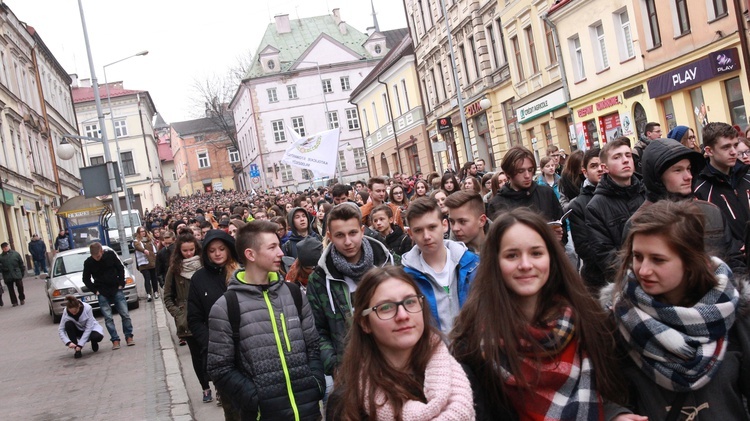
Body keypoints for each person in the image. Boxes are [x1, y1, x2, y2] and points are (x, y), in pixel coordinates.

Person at [450, 209, 640, 420]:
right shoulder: (473, 344)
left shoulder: (590, 321)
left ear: (551, 258)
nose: (525, 265)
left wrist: (615, 414)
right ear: (495, 263)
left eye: (536, 253)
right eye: (512, 255)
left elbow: (614, 388)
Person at [604, 200, 750, 419]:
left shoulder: (734, 314)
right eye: (637, 257)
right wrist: (616, 414)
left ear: (690, 260)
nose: (643, 270)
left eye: (658, 260)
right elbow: (602, 391)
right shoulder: (619, 319)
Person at [207, 221, 324, 420]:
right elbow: (220, 368)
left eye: (279, 245)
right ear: (250, 254)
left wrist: (316, 384)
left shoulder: (293, 293)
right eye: (272, 247)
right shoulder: (227, 306)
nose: (281, 252)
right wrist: (255, 399)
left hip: (307, 410)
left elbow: (312, 345)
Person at [326, 266, 476, 420]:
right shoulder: (346, 402)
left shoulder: (461, 379)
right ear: (365, 323)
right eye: (386, 307)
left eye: (410, 302)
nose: (403, 315)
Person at [306, 203, 394, 376]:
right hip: (350, 371)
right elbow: (317, 330)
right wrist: (335, 366)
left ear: (362, 230)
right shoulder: (319, 279)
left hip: (393, 362)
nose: (348, 242)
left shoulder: (388, 264)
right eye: (340, 235)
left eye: (353, 233)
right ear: (330, 236)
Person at [636, 138, 746, 273]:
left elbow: (734, 259)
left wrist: (733, 290)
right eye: (678, 170)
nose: (688, 176)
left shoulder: (711, 212)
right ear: (658, 177)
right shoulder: (640, 222)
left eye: (689, 169)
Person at [402, 198, 479, 334]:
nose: (426, 236)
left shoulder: (473, 264)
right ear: (410, 234)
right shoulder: (406, 278)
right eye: (418, 230)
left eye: (432, 227)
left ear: (444, 225)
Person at [187, 229, 240, 412]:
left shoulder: (242, 272)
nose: (217, 254)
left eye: (221, 249)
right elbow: (194, 318)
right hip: (219, 352)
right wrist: (211, 343)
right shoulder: (199, 279)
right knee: (231, 406)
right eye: (212, 250)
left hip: (248, 345)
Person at [585, 137, 645, 281]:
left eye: (628, 155)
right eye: (617, 157)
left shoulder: (647, 192)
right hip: (628, 281)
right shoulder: (596, 207)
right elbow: (605, 255)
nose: (625, 160)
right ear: (605, 168)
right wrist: (636, 273)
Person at [164, 233, 213, 402]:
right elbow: (167, 296)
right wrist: (178, 314)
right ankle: (205, 387)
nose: (189, 253)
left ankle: (220, 388)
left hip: (209, 314)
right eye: (185, 250)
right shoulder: (175, 269)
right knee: (197, 355)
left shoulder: (206, 264)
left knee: (214, 352)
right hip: (188, 318)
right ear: (179, 251)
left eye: (192, 249)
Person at [487, 146, 565, 242]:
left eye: (530, 170)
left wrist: (558, 237)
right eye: (521, 171)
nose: (527, 175)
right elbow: (495, 243)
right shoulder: (497, 204)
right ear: (508, 173)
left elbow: (562, 226)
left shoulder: (546, 193)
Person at [693, 122, 750, 245]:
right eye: (726, 147)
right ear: (709, 151)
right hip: (730, 260)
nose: (734, 152)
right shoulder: (700, 189)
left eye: (735, 145)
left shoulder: (747, 177)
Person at [82, 242, 134, 349]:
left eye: (98, 256)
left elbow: (120, 268)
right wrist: (95, 290)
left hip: (116, 288)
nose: (97, 258)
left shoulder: (110, 255)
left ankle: (129, 336)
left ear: (102, 251)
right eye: (94, 257)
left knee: (125, 314)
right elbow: (85, 279)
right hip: (102, 291)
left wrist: (121, 283)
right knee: (108, 318)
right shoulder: (88, 262)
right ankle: (115, 340)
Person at [568, 148, 605, 291]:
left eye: (602, 165)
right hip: (597, 280)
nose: (599, 169)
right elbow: (584, 248)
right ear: (585, 172)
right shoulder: (578, 205)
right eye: (594, 166)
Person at [134, 227, 159, 302]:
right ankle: (148, 293)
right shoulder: (136, 241)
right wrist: (144, 250)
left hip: (152, 262)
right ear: (138, 233)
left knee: (154, 278)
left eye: (144, 231)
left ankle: (155, 292)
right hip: (143, 264)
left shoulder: (150, 240)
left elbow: (155, 249)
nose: (143, 233)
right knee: (147, 278)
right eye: (141, 231)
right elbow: (138, 247)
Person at [0, 242, 25, 306]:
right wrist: (2, 268)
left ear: (8, 246)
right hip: (7, 275)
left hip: (16, 273)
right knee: (10, 289)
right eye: (3, 247)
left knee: (20, 286)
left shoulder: (15, 254)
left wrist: (22, 273)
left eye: (6, 246)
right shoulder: (1, 257)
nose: (5, 248)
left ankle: (22, 299)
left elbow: (21, 263)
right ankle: (14, 302)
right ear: (2, 249)